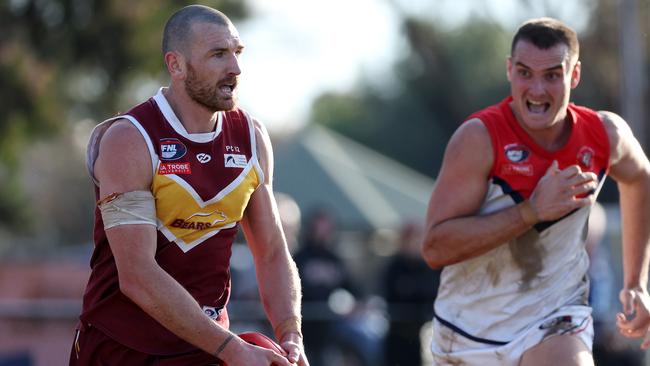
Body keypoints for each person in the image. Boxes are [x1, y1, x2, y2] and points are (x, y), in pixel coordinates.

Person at [70, 5, 308, 366]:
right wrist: (232, 349)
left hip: (204, 346)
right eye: (217, 55)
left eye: (236, 53)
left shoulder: (251, 137)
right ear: (176, 65)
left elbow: (272, 251)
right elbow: (137, 276)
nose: (235, 69)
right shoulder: (130, 139)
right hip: (123, 349)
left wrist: (291, 335)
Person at [421, 17, 650, 366]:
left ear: (574, 75)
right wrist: (531, 212)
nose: (538, 90)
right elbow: (436, 247)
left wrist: (636, 282)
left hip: (556, 317)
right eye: (526, 73)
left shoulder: (604, 134)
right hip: (469, 333)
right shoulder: (479, 138)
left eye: (552, 75)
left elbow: (640, 178)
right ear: (509, 70)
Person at [381, 221, 440, 366]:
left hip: (425, 332)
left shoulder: (430, 265)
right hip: (398, 334)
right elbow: (394, 293)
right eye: (413, 238)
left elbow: (433, 291)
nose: (417, 242)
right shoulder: (395, 266)